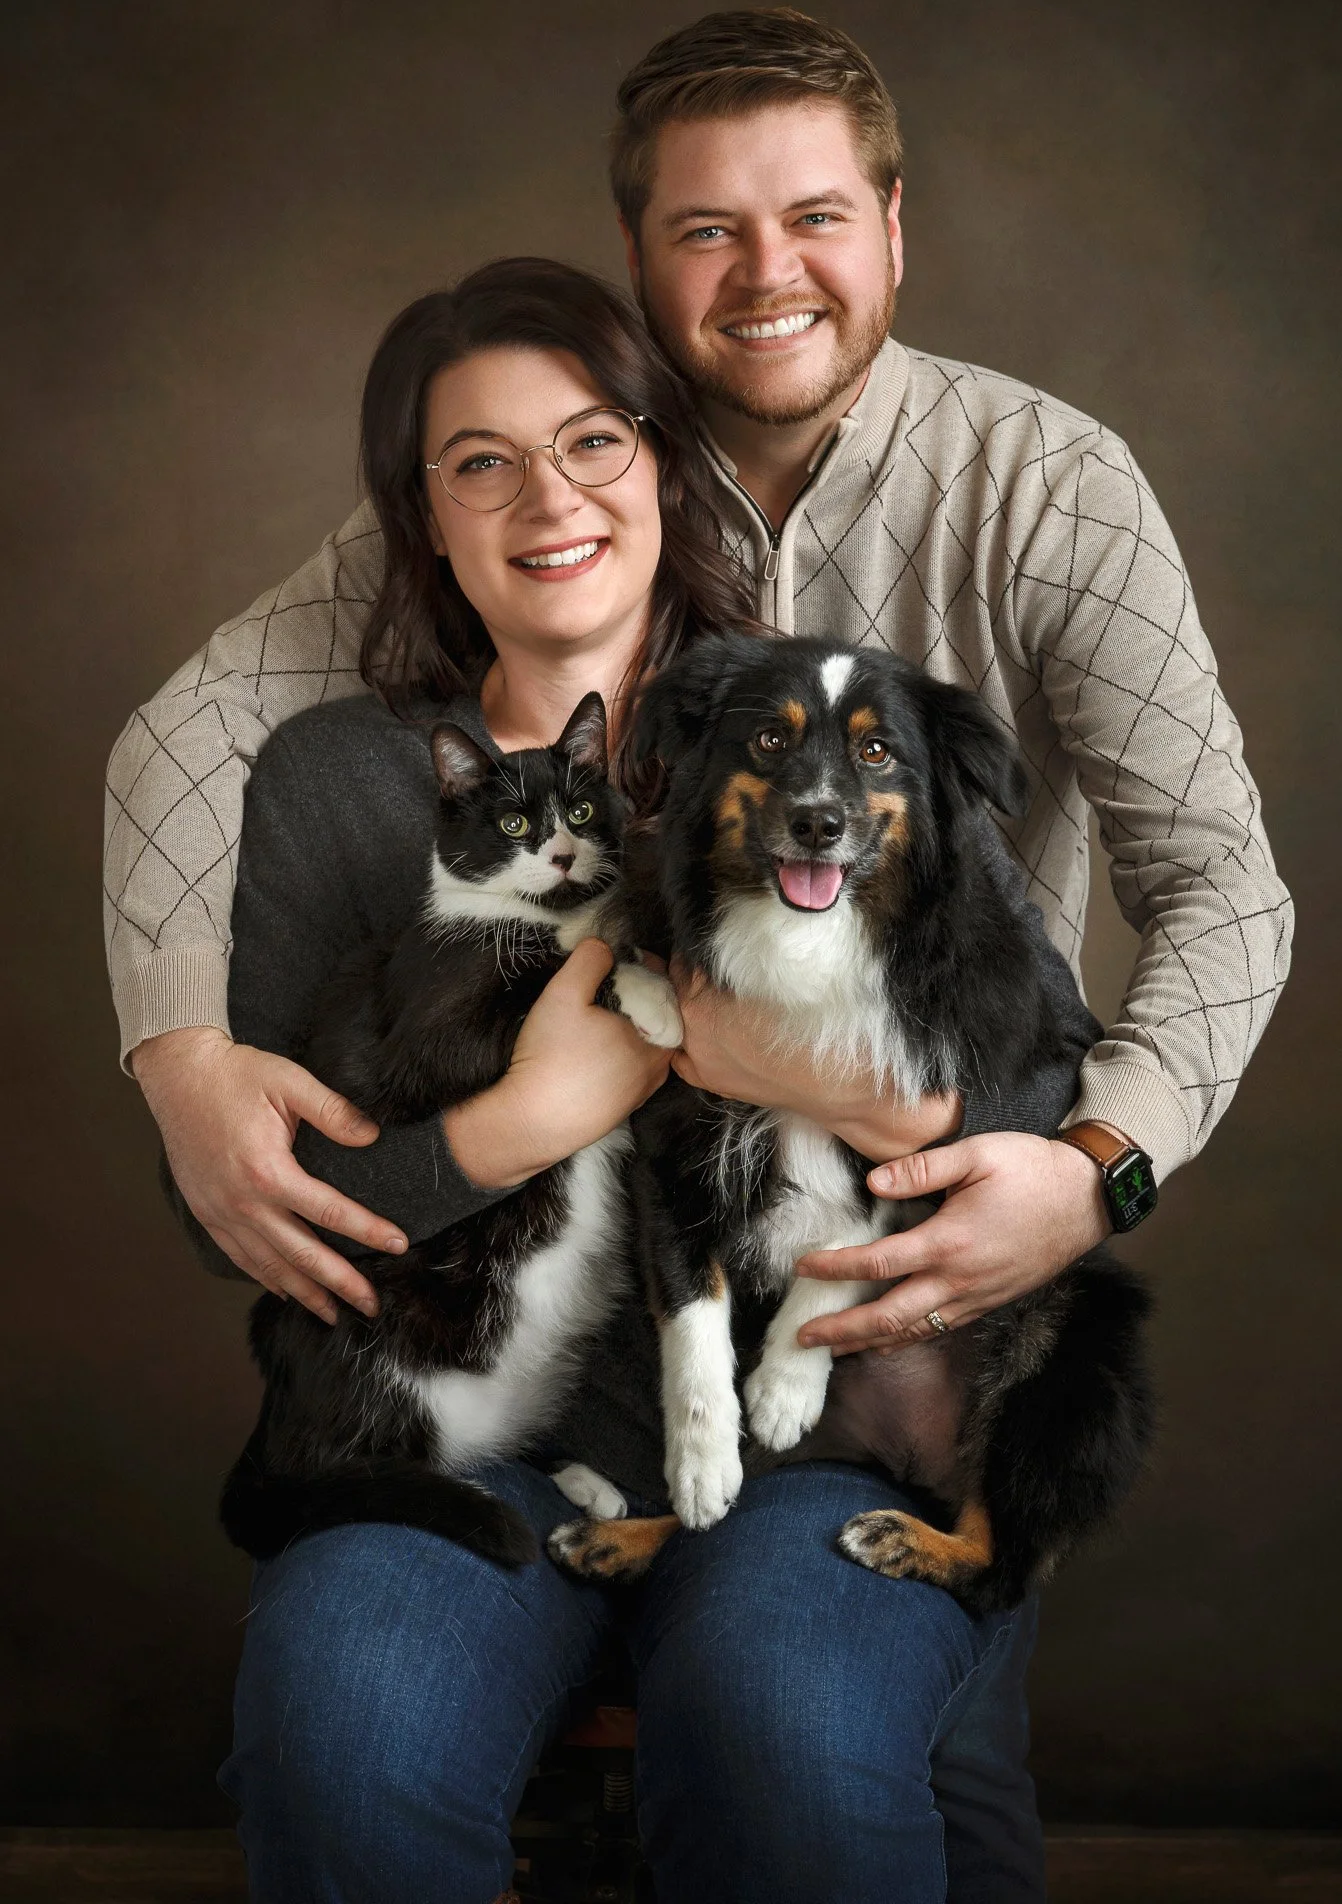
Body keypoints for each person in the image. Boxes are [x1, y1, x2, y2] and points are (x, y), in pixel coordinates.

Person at [105, 9, 1291, 1893]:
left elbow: (1221, 884)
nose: (767, 276)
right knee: (347, 1736)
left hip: (884, 1295)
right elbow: (187, 732)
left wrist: (1088, 1167)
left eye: (814, 215)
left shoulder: (1042, 489)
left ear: (895, 227)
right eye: (704, 233)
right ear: (642, 285)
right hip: (517, 1395)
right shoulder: (517, 521)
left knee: (816, 1758)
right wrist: (177, 1053)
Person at [192, 257, 1068, 1902]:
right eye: (480, 463)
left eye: (595, 441)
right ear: (420, 513)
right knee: (341, 1732)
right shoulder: (336, 785)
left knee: (798, 1747)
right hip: (465, 1437)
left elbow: (1040, 1091)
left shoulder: (810, 720)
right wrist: (527, 1117)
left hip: (802, 1441)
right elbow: (256, 1209)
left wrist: (849, 1089)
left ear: (663, 461)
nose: (549, 499)